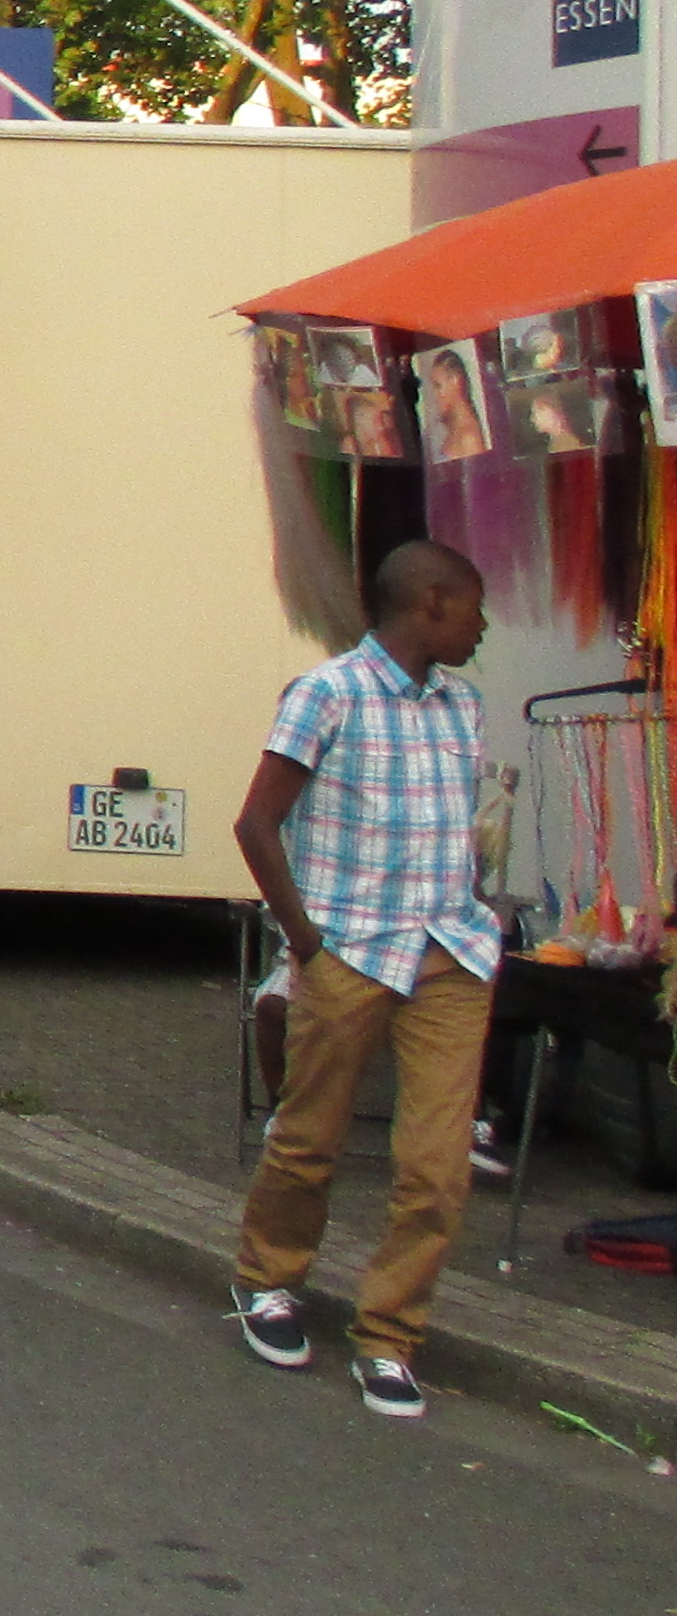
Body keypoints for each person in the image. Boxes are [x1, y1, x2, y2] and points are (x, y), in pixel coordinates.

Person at [231, 538, 497, 1422]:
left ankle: (389, 1336)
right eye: (475, 609)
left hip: (449, 954)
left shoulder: (464, 706)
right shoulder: (327, 694)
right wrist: (307, 946)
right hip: (349, 950)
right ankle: (269, 1282)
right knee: (310, 1138)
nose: (485, 627)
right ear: (431, 602)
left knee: (437, 1167)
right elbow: (257, 824)